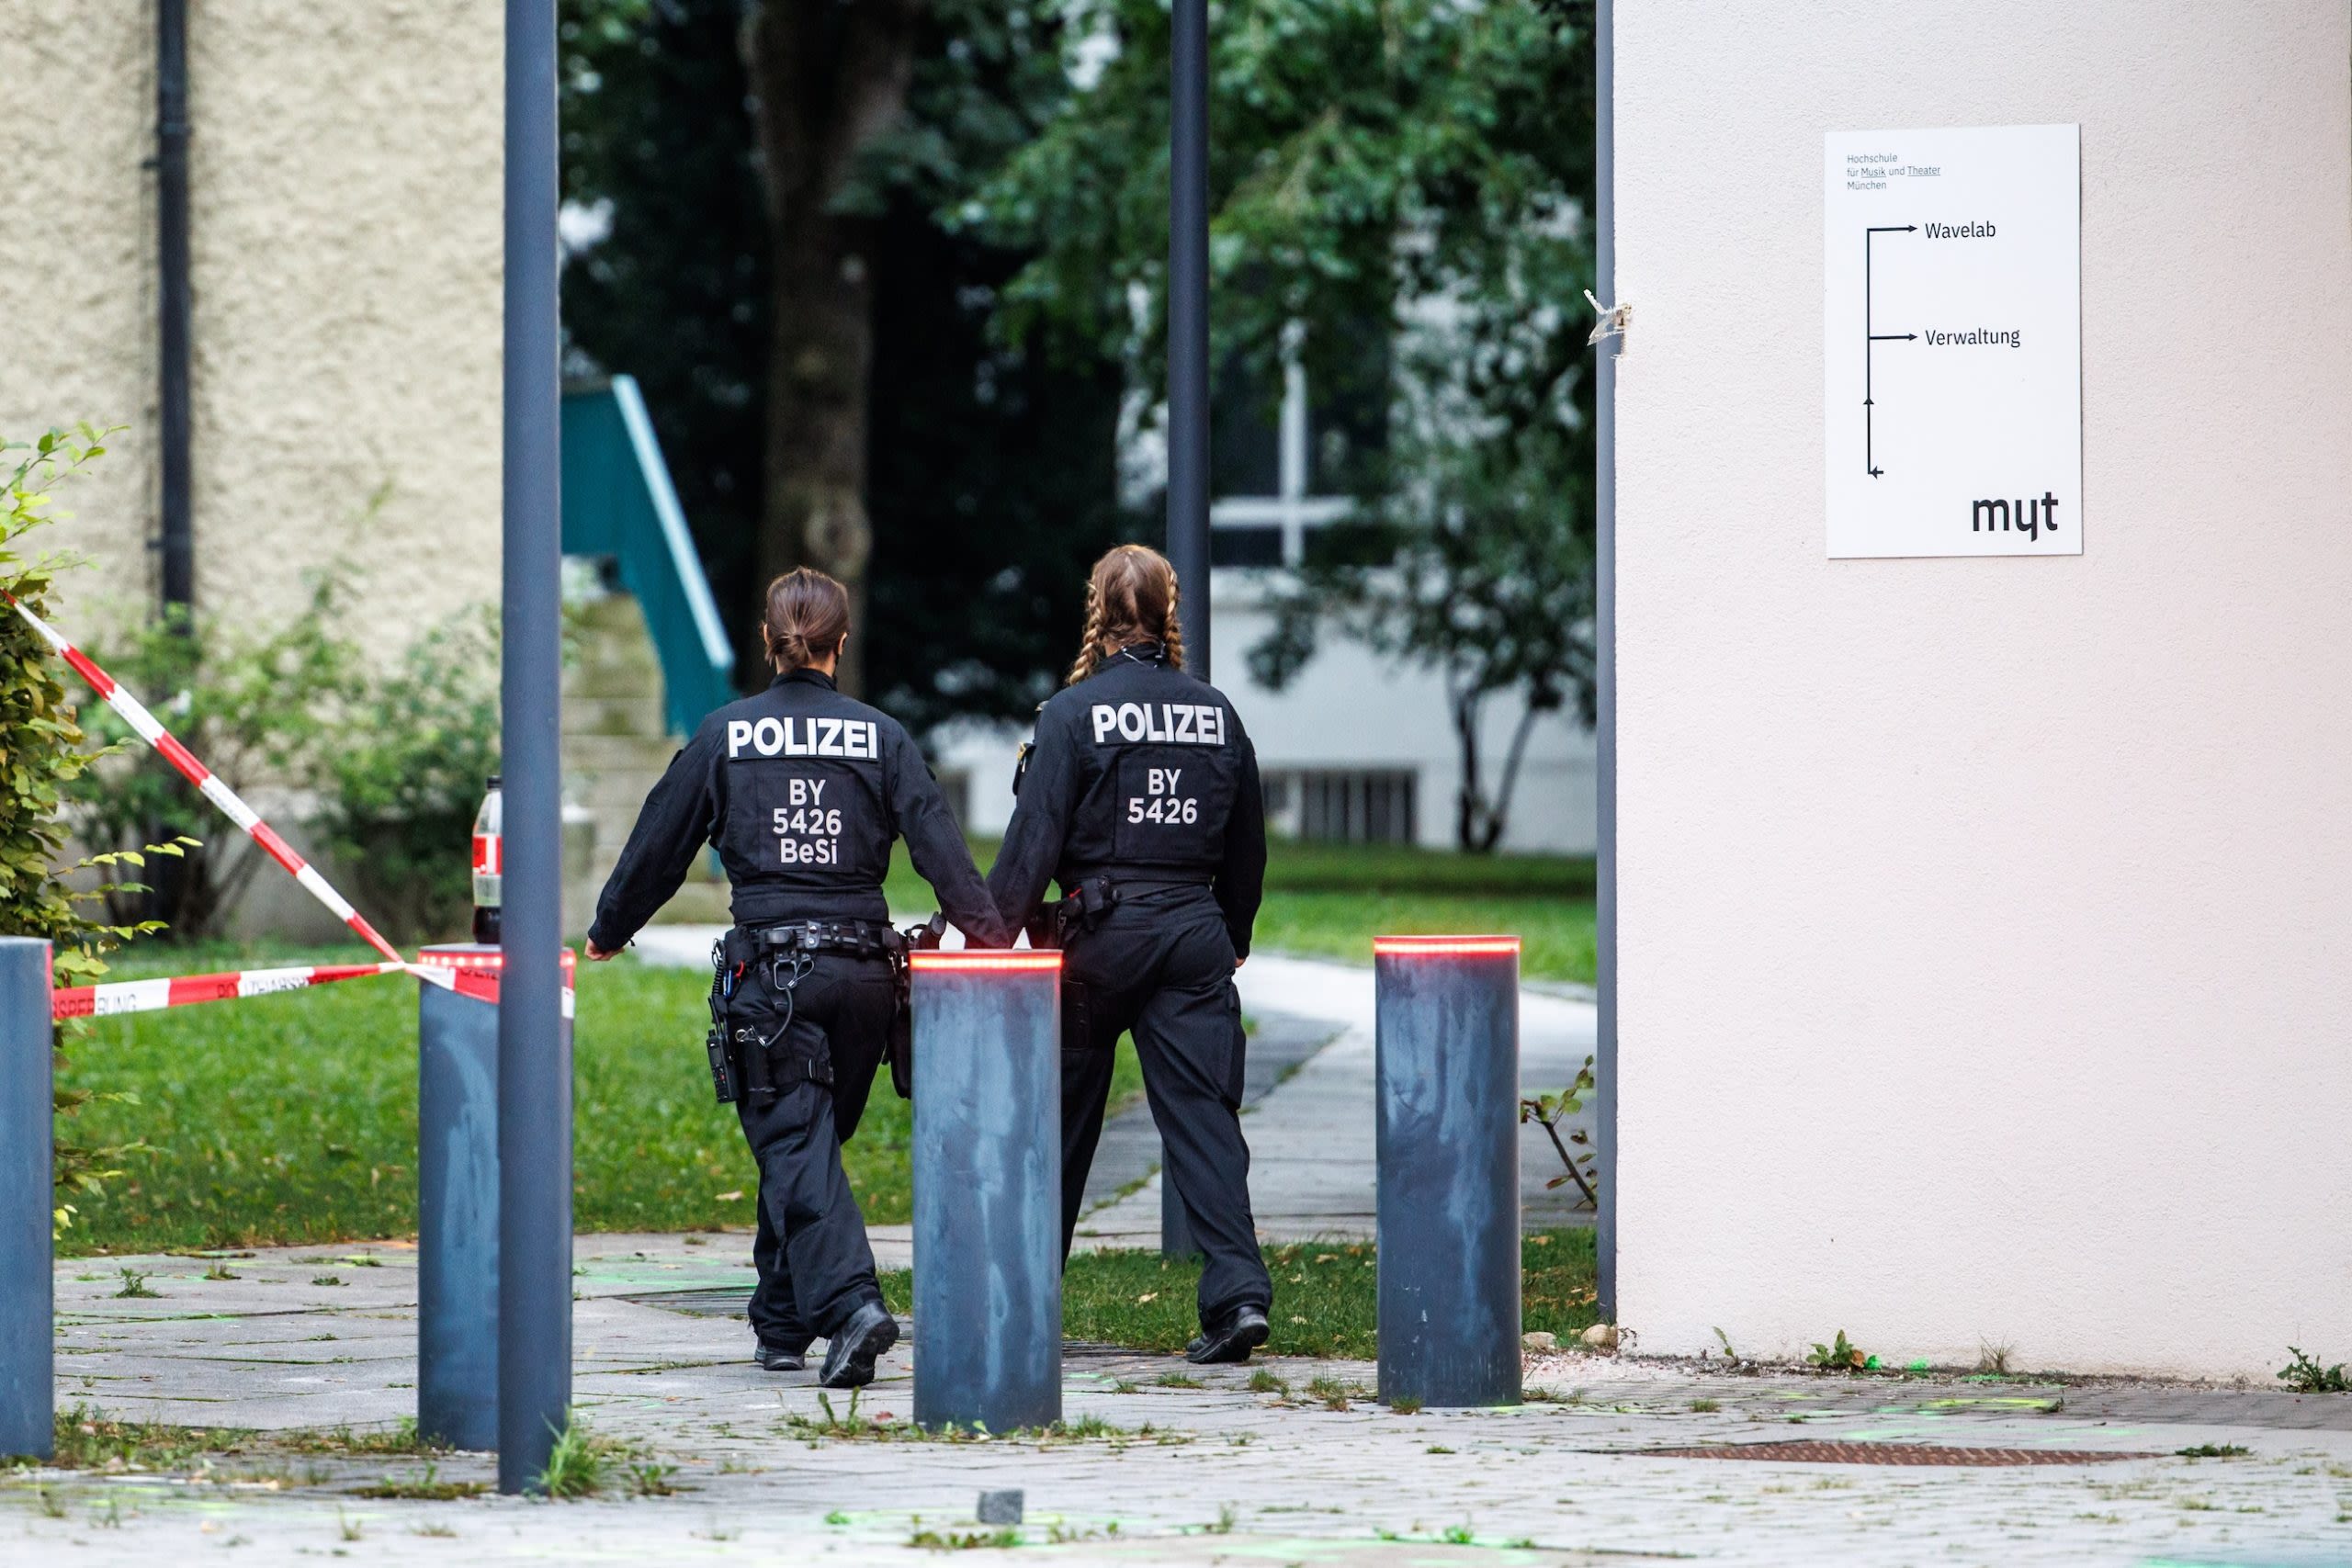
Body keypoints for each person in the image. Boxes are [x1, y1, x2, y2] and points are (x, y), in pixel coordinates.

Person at [584, 568, 1012, 1388]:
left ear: (767, 640)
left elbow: (660, 841)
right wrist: (995, 938)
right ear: (840, 645)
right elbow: (942, 852)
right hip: (864, 982)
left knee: (795, 1144)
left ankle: (852, 1304)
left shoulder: (725, 734)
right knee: (804, 1145)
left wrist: (611, 928)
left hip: (774, 985)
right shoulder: (881, 737)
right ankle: (779, 1322)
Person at [987, 544, 1272, 1364]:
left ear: (1098, 611)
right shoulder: (1217, 712)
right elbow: (1246, 844)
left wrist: (989, 935)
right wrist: (1234, 935)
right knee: (1204, 1120)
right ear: (1167, 609)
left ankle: (1024, 1299)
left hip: (1095, 942)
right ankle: (1238, 1296)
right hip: (1191, 936)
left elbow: (1032, 843)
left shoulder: (1072, 714)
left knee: (1059, 1121)